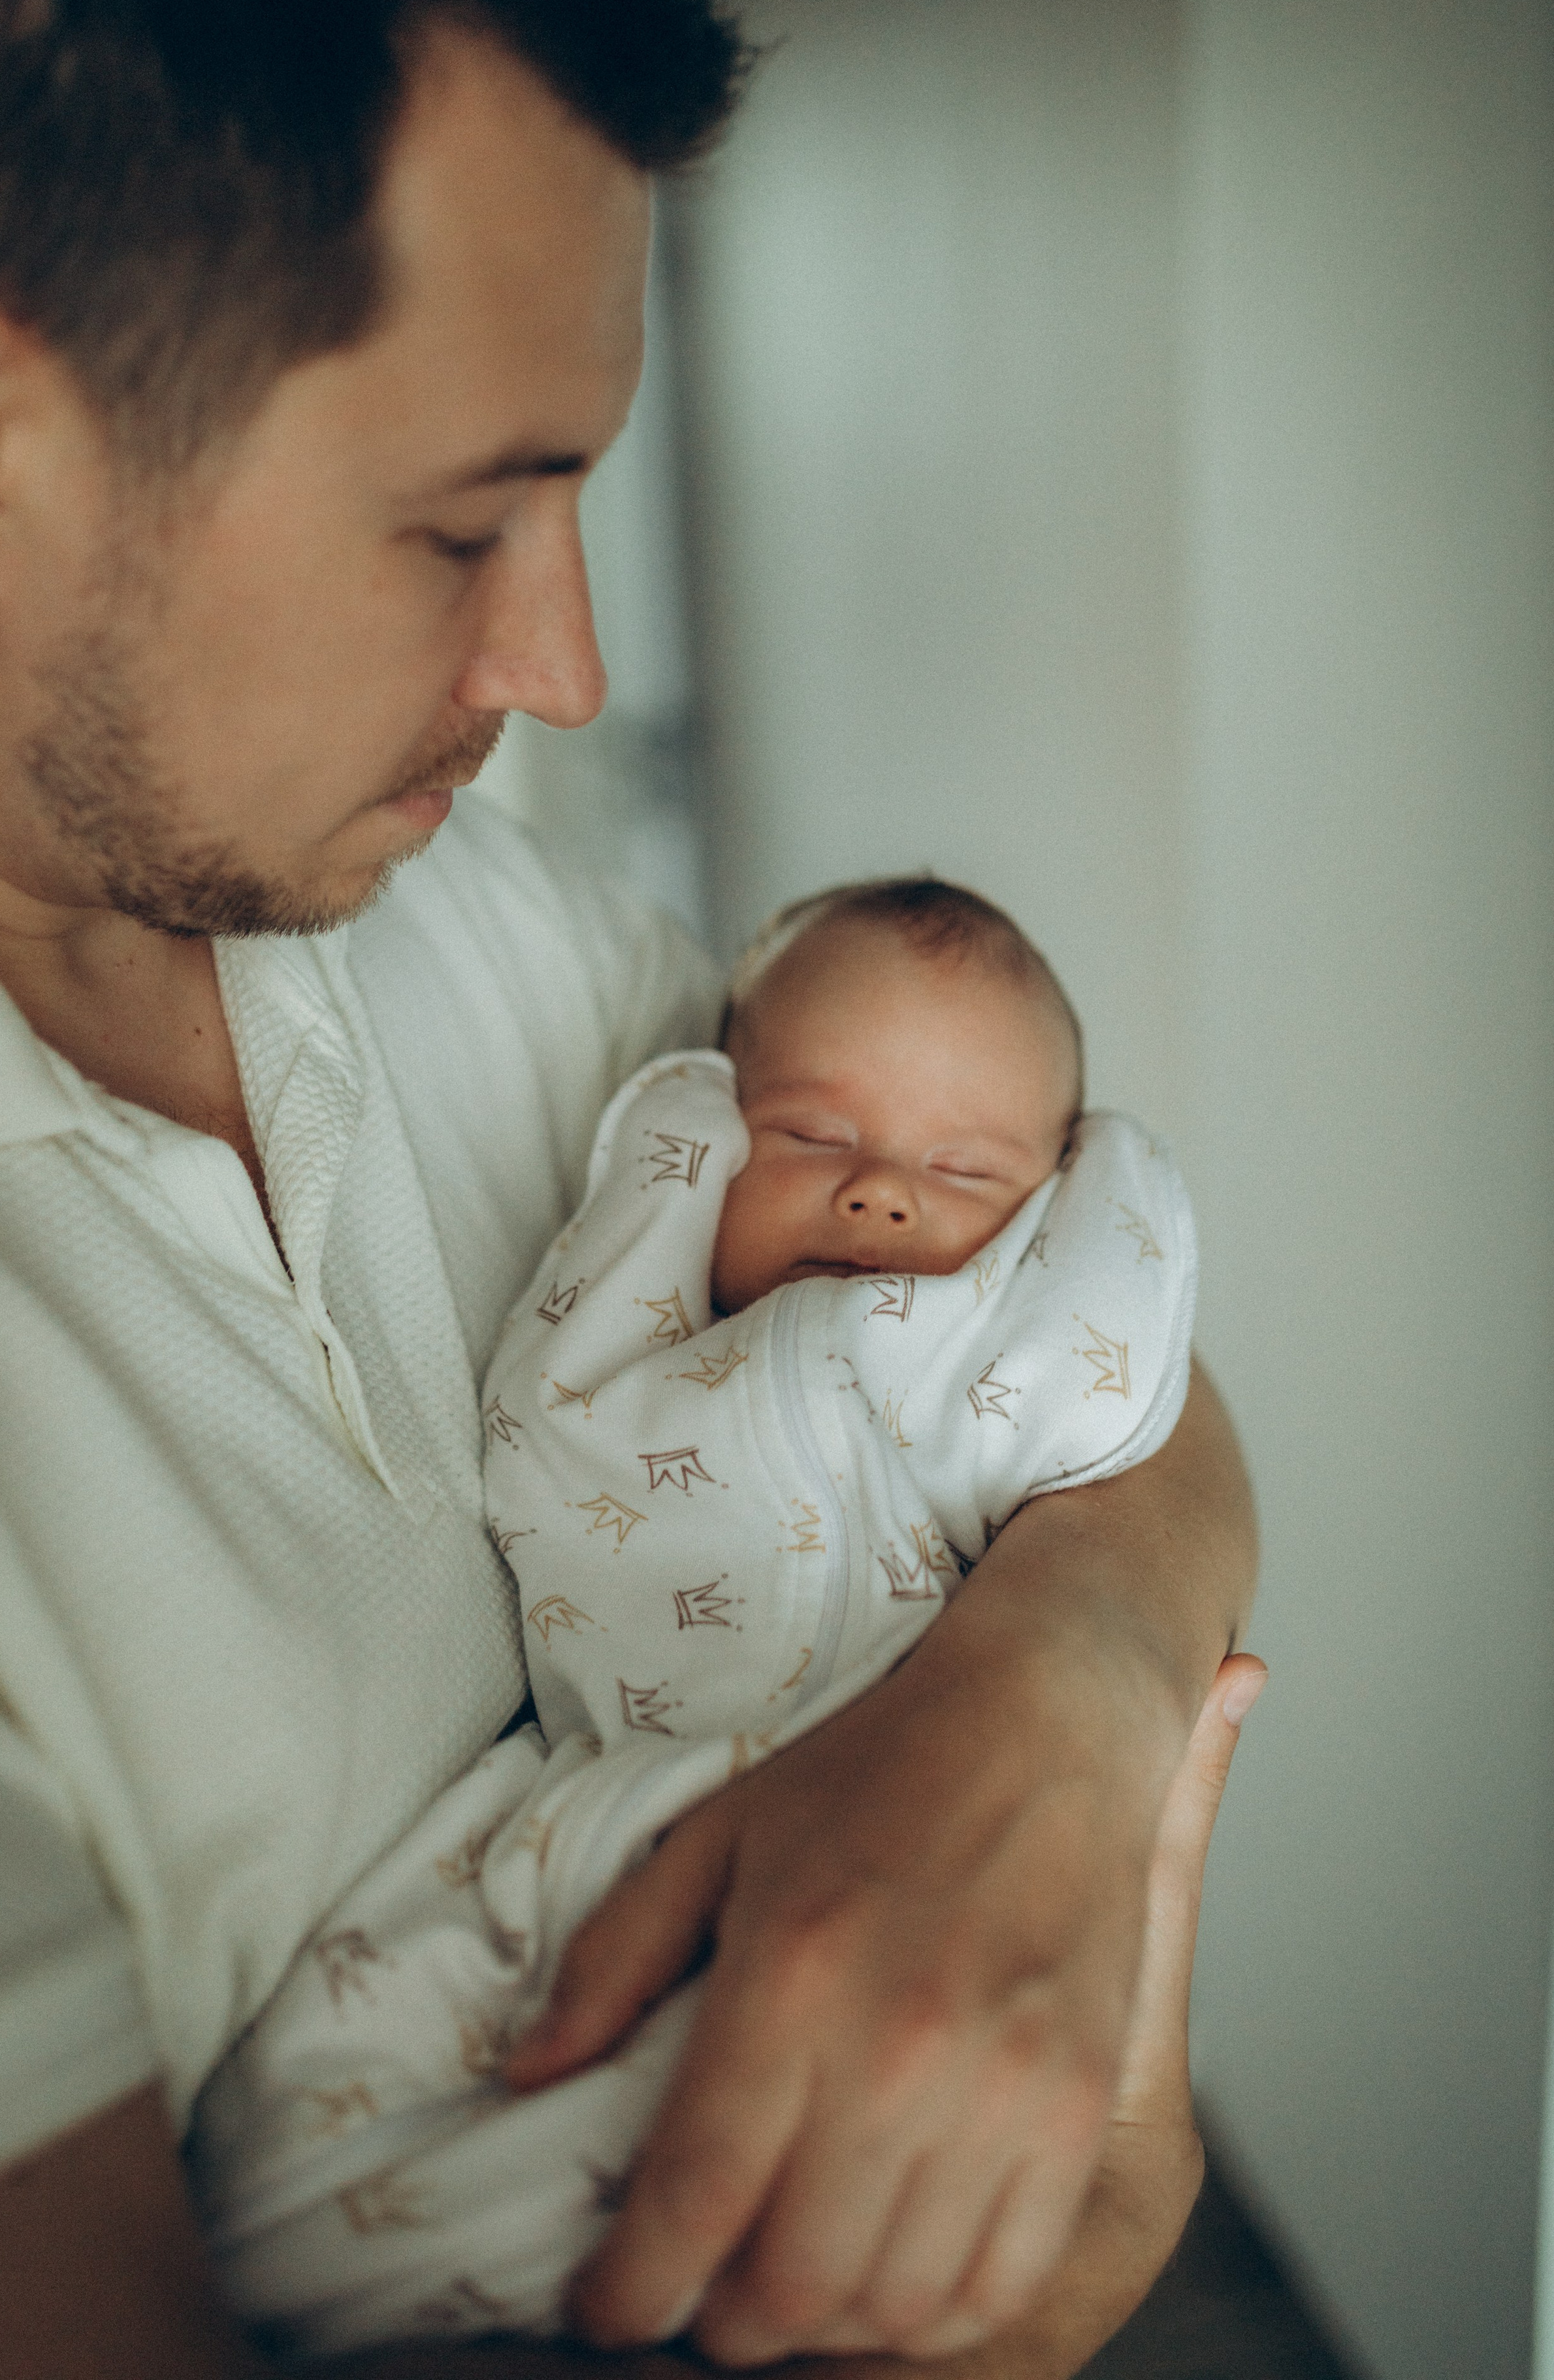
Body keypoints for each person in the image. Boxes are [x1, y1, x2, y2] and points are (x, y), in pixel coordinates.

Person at [0, 0, 1257, 2375]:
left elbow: (1072, 1343)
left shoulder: (444, 908)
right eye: (460, 525)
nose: (567, 666)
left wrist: (1056, 1698)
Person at [190, 878, 1201, 2358]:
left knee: (808, 2083)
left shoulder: (994, 1381)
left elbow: (1125, 1390)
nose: (880, 1196)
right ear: (707, 1139)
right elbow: (539, 1450)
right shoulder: (628, 1355)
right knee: (350, 2057)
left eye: (965, 1173)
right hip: (603, 1794)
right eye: (809, 1140)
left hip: (900, 1794)